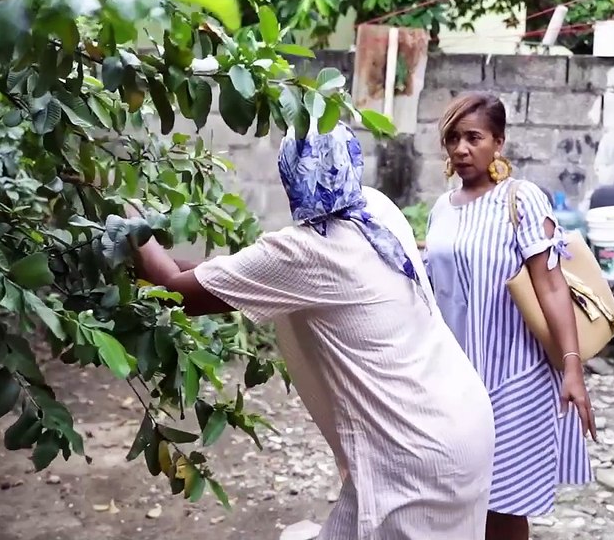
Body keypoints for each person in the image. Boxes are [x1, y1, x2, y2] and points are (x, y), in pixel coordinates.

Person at [130, 122, 495, 540]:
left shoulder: (307, 250)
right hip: (462, 418)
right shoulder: (376, 210)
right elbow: (230, 278)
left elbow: (176, 291)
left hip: (414, 453)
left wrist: (121, 216)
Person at [423, 92, 597, 540]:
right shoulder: (443, 209)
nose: (461, 149)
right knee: (460, 497)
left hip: (513, 376)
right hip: (457, 380)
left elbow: (552, 284)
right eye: (453, 138)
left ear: (498, 142)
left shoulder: (521, 200)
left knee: (503, 504)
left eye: (474, 137)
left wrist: (572, 367)